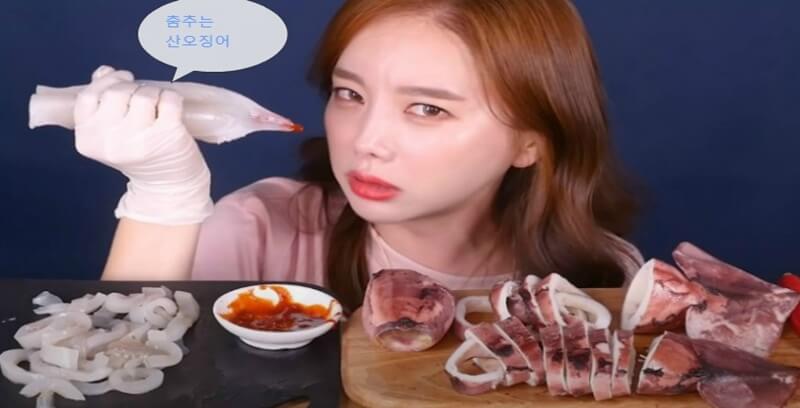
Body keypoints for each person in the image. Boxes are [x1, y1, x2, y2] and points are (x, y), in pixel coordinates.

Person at [80, 0, 644, 311]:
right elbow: (116, 369)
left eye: (427, 108)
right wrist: (161, 198)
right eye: (350, 94)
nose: (366, 140)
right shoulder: (257, 231)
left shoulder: (603, 274)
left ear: (531, 142)